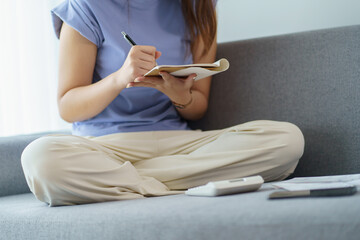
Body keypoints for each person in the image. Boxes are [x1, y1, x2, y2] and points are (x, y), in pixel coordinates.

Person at [21, 0, 304, 206]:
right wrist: (120, 78)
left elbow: (198, 107)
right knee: (40, 159)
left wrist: (181, 96)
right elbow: (68, 106)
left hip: (177, 143)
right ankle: (187, 182)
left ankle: (131, 183)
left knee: (288, 140)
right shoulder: (85, 7)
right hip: (105, 146)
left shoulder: (198, 7)